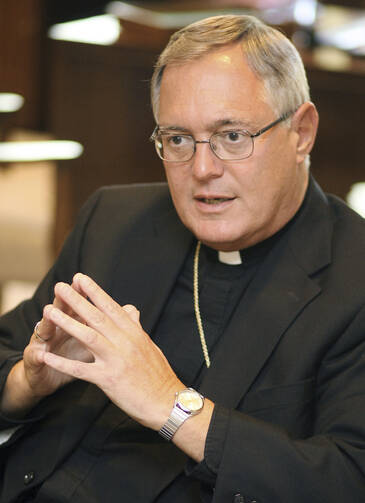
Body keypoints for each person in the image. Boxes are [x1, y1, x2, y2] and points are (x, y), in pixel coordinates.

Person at [1, 14, 365, 503]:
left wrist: (172, 406)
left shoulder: (353, 276)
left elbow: (345, 478)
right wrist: (28, 381)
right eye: (176, 139)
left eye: (232, 136)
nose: (202, 169)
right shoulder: (114, 218)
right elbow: (7, 350)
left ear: (301, 132)